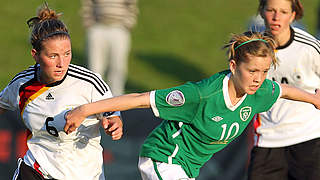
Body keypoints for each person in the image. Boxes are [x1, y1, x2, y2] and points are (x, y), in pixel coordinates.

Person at [64, 31, 320, 180]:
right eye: (252, 70)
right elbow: (139, 98)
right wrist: (85, 110)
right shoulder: (201, 94)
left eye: (264, 71)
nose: (258, 78)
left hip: (187, 168)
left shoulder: (260, 90)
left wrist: (314, 99)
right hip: (163, 158)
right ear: (233, 66)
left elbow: (284, 90)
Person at [0, 3, 123, 180]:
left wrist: (114, 125)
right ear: (35, 55)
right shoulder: (22, 84)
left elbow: (113, 116)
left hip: (83, 174)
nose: (62, 63)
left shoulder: (89, 83)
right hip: (36, 170)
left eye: (67, 54)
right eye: (53, 56)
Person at [247, 0, 320, 180]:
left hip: (309, 139)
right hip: (267, 140)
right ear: (261, 12)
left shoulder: (309, 48)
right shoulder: (252, 50)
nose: (276, 17)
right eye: (271, 10)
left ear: (293, 15)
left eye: (283, 12)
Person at [81, 0, 138, 96]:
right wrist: (89, 23)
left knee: (118, 66)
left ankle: (116, 99)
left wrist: (128, 23)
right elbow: (88, 4)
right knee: (95, 66)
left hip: (119, 27)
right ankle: (94, 97)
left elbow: (131, 5)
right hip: (98, 26)